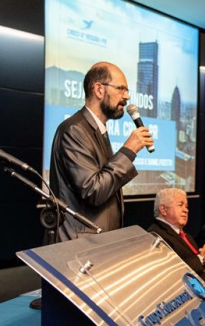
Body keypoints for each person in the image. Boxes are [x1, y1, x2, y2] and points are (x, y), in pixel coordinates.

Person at [49, 62, 153, 241]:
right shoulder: (74, 130)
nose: (127, 96)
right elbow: (93, 191)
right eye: (121, 89)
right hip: (79, 246)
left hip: (98, 242)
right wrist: (128, 151)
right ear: (98, 89)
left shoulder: (98, 130)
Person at [147, 188, 205, 300]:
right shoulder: (155, 235)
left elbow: (196, 259)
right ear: (163, 209)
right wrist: (201, 259)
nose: (186, 210)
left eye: (186, 206)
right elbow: (170, 270)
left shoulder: (185, 235)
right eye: (180, 205)